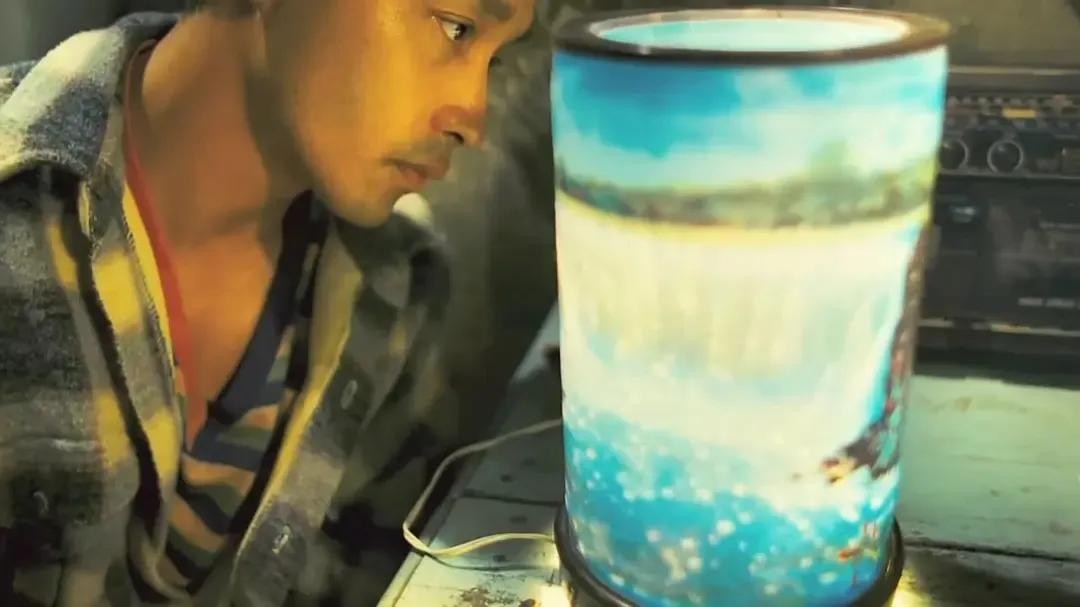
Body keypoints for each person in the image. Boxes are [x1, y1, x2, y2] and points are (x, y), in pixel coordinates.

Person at [0, 0, 535, 604]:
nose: (473, 118)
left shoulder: (392, 294)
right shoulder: (20, 210)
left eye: (496, 60)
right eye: (455, 27)